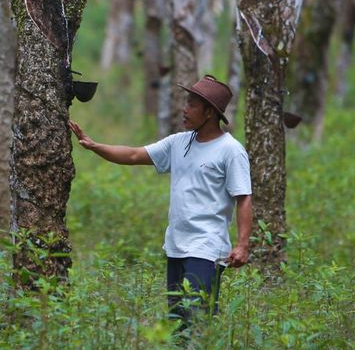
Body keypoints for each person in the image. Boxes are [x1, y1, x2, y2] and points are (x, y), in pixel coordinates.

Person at [69, 74, 253, 333]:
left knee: (196, 317)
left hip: (207, 248)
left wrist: (243, 245)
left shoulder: (230, 150)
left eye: (191, 104)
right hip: (176, 246)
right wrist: (94, 146)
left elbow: (243, 197)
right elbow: (134, 154)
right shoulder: (179, 143)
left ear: (209, 112)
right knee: (177, 320)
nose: (184, 109)